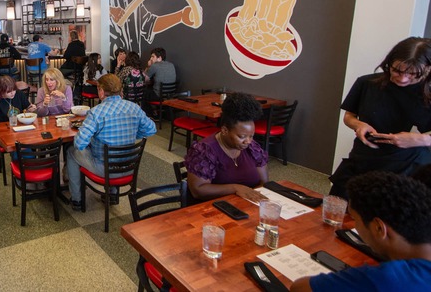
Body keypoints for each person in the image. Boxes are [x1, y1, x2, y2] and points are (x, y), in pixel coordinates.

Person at [290, 172, 431, 292]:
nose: (354, 226)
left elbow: (299, 287)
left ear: (379, 228)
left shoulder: (387, 278)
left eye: (354, 219)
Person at [329, 37, 431, 199]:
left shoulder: (427, 93)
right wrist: (358, 125)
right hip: (364, 158)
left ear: (427, 69)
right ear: (389, 63)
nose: (402, 78)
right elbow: (349, 116)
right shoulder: (367, 83)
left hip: (408, 166)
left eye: (412, 74)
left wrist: (421, 139)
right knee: (340, 206)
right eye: (397, 70)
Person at [66, 74, 157, 210]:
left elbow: (79, 144)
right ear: (120, 90)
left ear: (101, 91)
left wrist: (89, 135)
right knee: (112, 149)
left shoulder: (96, 112)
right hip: (129, 167)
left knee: (71, 152)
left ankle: (76, 200)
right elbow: (151, 129)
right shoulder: (134, 108)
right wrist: (133, 133)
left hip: (104, 169)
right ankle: (112, 195)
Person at [184, 92, 268, 203]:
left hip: (246, 205)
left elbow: (264, 182)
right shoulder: (204, 151)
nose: (248, 141)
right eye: (241, 136)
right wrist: (235, 188)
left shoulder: (253, 148)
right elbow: (198, 191)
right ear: (224, 130)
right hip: (212, 209)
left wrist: (252, 200)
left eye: (251, 136)